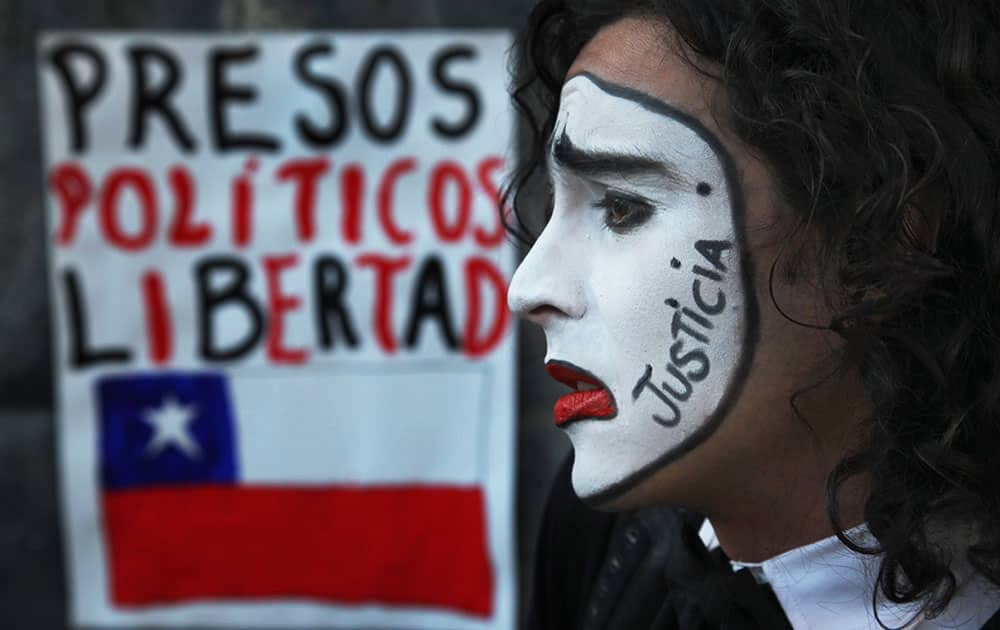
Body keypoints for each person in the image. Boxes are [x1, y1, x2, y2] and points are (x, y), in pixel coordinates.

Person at [503, 1, 1000, 628]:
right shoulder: (601, 539)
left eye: (623, 207)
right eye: (556, 205)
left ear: (871, 244)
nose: (527, 289)